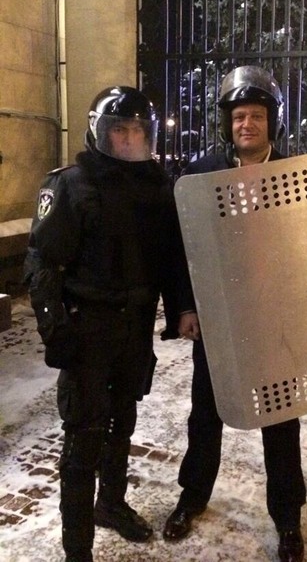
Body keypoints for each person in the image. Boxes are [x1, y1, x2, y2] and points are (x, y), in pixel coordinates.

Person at [25, 86, 197, 562]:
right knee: (84, 438)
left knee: (123, 422)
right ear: (100, 132)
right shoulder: (71, 184)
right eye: (119, 130)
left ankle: (111, 504)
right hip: (88, 329)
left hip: (135, 328)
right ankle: (77, 546)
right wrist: (56, 332)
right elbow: (42, 263)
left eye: (137, 131)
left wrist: (181, 309)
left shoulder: (157, 187)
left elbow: (172, 259)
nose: (128, 139)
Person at [161, 65, 307, 562]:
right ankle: (192, 497)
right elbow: (180, 249)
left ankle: (288, 518)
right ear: (228, 122)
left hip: (275, 323)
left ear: (272, 122)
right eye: (240, 116)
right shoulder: (201, 175)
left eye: (257, 116)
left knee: (281, 422)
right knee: (206, 414)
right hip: (218, 321)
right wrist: (184, 307)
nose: (247, 124)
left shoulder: (294, 177)